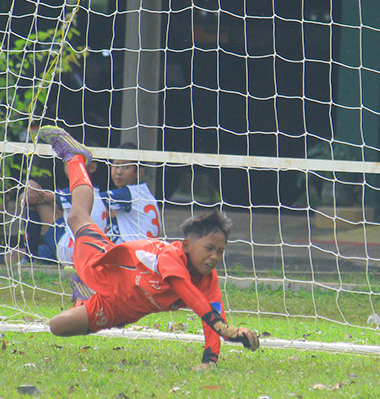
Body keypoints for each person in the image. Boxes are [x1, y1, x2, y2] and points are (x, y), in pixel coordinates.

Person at [36, 126, 259, 365]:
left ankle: (85, 294)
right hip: (105, 263)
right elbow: (193, 298)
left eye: (220, 251)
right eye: (209, 249)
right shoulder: (170, 259)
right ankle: (75, 157)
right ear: (186, 246)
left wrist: (210, 360)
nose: (215, 257)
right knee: (77, 216)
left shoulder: (207, 278)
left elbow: (212, 314)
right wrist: (225, 329)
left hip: (120, 309)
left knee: (58, 326)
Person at [99, 142, 161, 243]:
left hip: (136, 252)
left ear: (139, 172)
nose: (119, 172)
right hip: (148, 250)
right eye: (116, 166)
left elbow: (94, 199)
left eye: (126, 167)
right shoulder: (143, 192)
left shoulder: (128, 194)